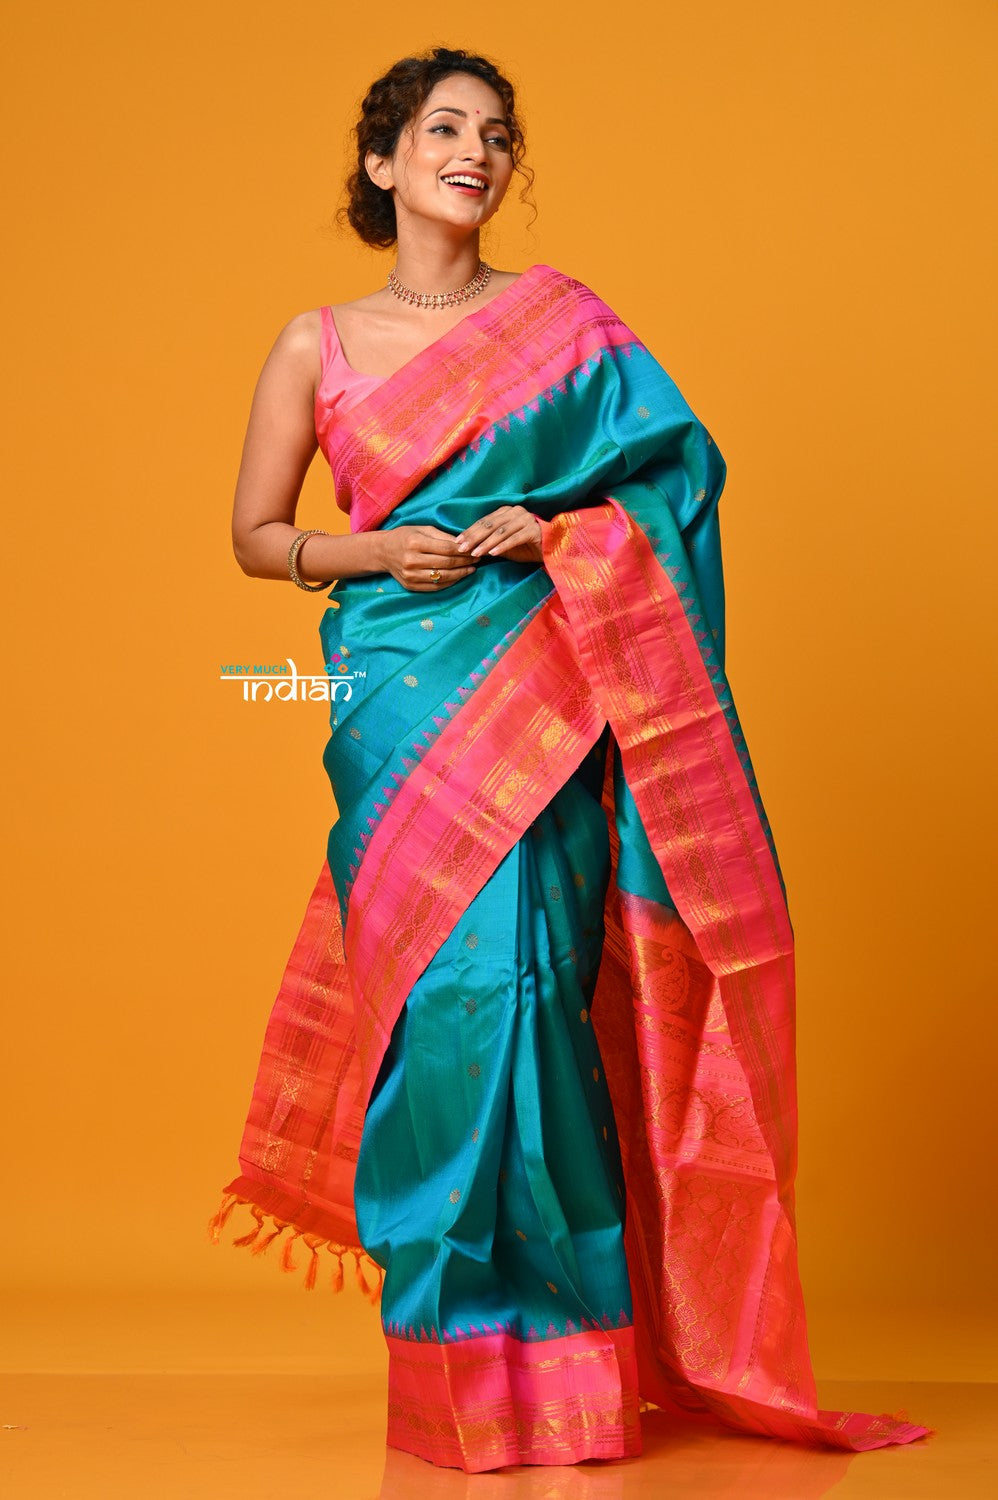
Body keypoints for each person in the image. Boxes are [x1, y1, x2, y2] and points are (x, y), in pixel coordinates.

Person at [207, 45, 931, 1474]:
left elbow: (675, 480)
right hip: (399, 692)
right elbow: (256, 534)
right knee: (441, 1017)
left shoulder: (566, 327)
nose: (473, 153)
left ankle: (576, 1372)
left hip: (552, 684)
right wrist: (378, 552)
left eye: (494, 134)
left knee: (538, 989)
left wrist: (552, 532)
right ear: (382, 163)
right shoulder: (316, 343)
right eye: (442, 130)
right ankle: (454, 1371)